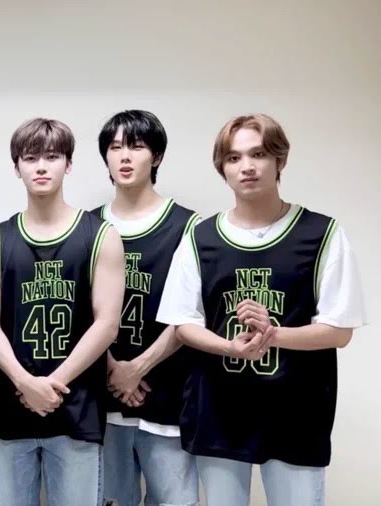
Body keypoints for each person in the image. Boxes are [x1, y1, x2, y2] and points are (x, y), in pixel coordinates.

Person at [157, 113, 368, 506]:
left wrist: (274, 335)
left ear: (279, 160)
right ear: (222, 168)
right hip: (218, 410)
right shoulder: (200, 238)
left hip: (296, 413)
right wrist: (230, 347)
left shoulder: (321, 234)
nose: (247, 166)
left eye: (258, 154)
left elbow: (339, 330)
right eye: (234, 158)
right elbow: (184, 323)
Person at [0, 118, 124, 506]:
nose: (41, 166)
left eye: (52, 157)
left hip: (76, 411)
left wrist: (52, 384)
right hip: (9, 411)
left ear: (68, 164)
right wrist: (24, 382)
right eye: (30, 158)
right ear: (17, 167)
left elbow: (107, 324)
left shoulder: (101, 236)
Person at [93, 110, 199, 506]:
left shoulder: (188, 226)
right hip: (102, 402)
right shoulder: (88, 227)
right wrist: (114, 369)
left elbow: (190, 315)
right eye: (115, 147)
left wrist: (137, 368)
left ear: (156, 156)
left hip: (169, 401)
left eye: (136, 146)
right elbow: (80, 313)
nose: (124, 156)